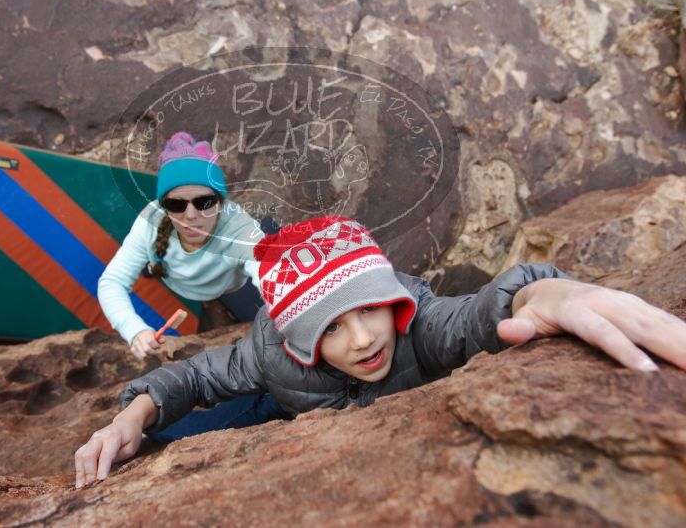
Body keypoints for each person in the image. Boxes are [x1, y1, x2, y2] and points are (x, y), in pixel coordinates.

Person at [75, 216, 686, 488]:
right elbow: (197, 377)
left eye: (370, 309)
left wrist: (544, 290)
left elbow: (475, 315)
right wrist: (132, 416)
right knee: (178, 436)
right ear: (298, 338)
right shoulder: (271, 352)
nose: (365, 338)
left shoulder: (416, 326)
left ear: (391, 300)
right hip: (281, 405)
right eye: (331, 327)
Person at [98, 131, 287, 443]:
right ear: (163, 205)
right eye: (176, 204)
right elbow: (112, 282)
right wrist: (135, 329)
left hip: (234, 285)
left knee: (270, 249)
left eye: (204, 202)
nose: (191, 216)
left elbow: (271, 279)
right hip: (177, 280)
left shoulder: (238, 226)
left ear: (221, 201)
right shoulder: (150, 222)